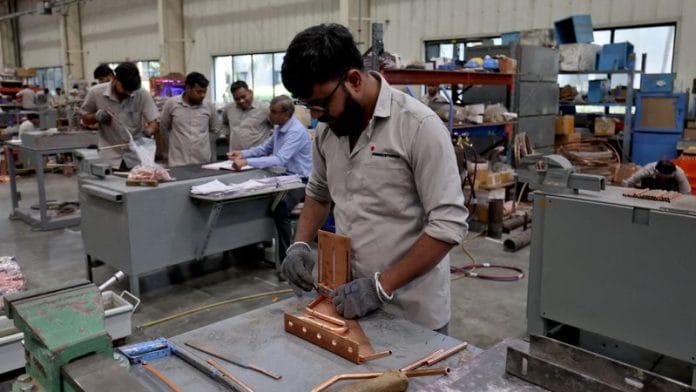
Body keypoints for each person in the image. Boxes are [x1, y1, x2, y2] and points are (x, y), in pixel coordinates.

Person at [279, 24, 468, 333]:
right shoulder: (329, 130)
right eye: (308, 106)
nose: (316, 116)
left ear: (353, 79)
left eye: (322, 104)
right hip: (348, 303)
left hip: (413, 313)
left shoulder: (418, 127)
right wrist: (299, 244)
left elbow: (448, 225)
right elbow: (318, 192)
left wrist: (380, 287)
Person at [228, 95, 312, 273]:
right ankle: (253, 248)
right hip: (282, 177)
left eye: (274, 112)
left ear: (287, 113)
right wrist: (241, 154)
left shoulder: (295, 131)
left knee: (280, 207)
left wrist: (248, 163)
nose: (270, 115)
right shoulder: (279, 128)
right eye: (270, 111)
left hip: (299, 180)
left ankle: (286, 263)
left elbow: (280, 159)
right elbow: (264, 149)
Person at [81, 62, 159, 170]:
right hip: (109, 158)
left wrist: (145, 134)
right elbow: (84, 119)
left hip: (136, 157)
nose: (127, 95)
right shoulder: (96, 93)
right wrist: (95, 117)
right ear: (114, 79)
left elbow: (154, 123)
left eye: (130, 93)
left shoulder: (141, 94)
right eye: (124, 91)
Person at [160, 72, 220, 167]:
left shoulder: (208, 106)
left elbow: (216, 130)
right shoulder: (171, 104)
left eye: (204, 92)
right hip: (178, 162)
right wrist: (174, 145)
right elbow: (163, 128)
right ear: (188, 88)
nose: (202, 95)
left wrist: (202, 142)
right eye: (198, 91)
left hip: (202, 161)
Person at [222, 81, 272, 151]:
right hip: (236, 155)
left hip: (258, 157)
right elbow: (225, 124)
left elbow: (278, 127)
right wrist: (227, 135)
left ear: (250, 92)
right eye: (237, 99)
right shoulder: (229, 109)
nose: (241, 101)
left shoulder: (265, 108)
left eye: (243, 96)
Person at [623, 159, 691, 194]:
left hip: (670, 192)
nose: (663, 178)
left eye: (666, 177)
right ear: (657, 171)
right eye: (662, 176)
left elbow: (686, 192)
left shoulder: (679, 173)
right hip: (651, 188)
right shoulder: (648, 169)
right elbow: (629, 182)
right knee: (645, 178)